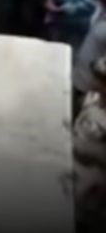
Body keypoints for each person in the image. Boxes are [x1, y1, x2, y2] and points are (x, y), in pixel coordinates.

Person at [72, 55, 106, 232]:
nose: (94, 79)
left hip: (89, 201)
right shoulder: (92, 97)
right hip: (69, 178)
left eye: (101, 79)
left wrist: (90, 151)